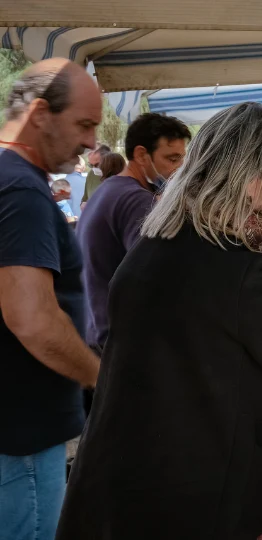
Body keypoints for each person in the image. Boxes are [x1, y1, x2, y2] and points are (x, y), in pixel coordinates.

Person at [56, 101, 262, 539]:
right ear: (255, 182)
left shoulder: (151, 249)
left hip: (118, 483)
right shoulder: (244, 269)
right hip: (196, 499)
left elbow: (207, 348)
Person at [0, 58, 102, 540]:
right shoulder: (21, 189)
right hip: (22, 433)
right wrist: (100, 377)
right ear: (40, 113)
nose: (90, 142)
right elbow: (33, 318)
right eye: (84, 124)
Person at [77, 113, 190, 357]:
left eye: (182, 160)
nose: (179, 170)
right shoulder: (136, 200)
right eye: (171, 159)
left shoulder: (108, 189)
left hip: (96, 333)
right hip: (120, 343)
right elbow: (155, 278)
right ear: (141, 155)